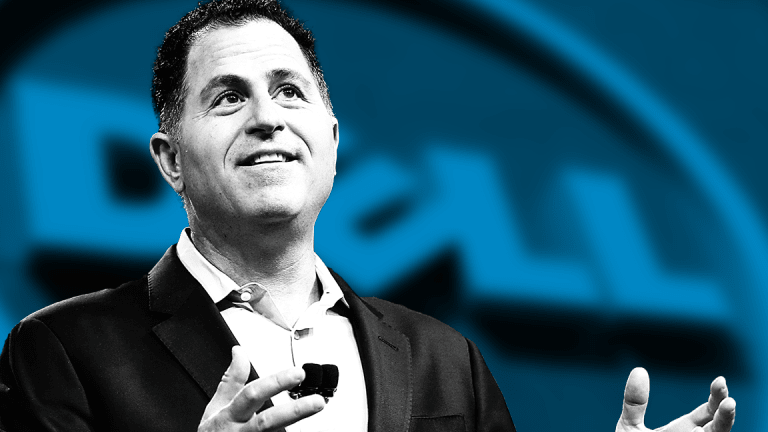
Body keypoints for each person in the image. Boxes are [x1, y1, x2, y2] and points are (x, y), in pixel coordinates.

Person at [0, 0, 736, 431]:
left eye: (290, 92)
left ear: (330, 140)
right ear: (169, 160)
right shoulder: (61, 351)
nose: (267, 118)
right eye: (228, 97)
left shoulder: (445, 359)